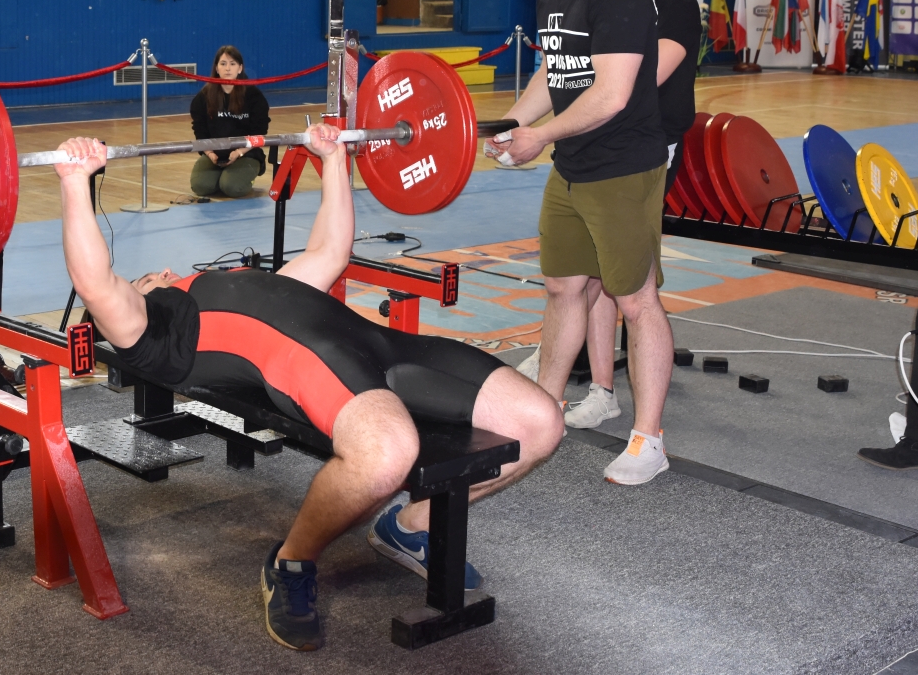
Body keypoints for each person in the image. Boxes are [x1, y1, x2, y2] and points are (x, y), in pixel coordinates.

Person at [52, 124, 561, 652]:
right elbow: (94, 281)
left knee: (539, 423)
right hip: (312, 362)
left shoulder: (244, 283)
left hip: (381, 347)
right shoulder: (154, 330)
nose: (157, 272)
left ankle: (410, 527)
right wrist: (74, 180)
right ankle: (291, 562)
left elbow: (331, 250)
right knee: (386, 453)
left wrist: (333, 158)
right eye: (142, 279)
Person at [486, 0, 672, 486]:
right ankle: (542, 413)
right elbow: (556, 69)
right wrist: (514, 123)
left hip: (623, 168)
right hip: (573, 166)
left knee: (636, 301)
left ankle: (650, 438)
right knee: (563, 287)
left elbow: (612, 94)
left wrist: (537, 137)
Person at [563, 0, 701, 430]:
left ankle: (648, 420)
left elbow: (641, 79)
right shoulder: (601, 0)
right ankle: (602, 389)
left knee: (628, 284)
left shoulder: (677, 5)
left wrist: (594, 84)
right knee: (594, 273)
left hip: (649, 149)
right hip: (596, 145)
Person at [188, 46, 268, 198]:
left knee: (232, 188)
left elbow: (260, 132)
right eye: (223, 64)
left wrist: (239, 152)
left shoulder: (254, 96)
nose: (228, 68)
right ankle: (221, 176)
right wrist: (209, 153)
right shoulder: (203, 97)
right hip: (215, 155)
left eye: (232, 64)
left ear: (240, 68)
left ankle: (237, 176)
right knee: (201, 187)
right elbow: (200, 130)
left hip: (246, 153)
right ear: (216, 68)